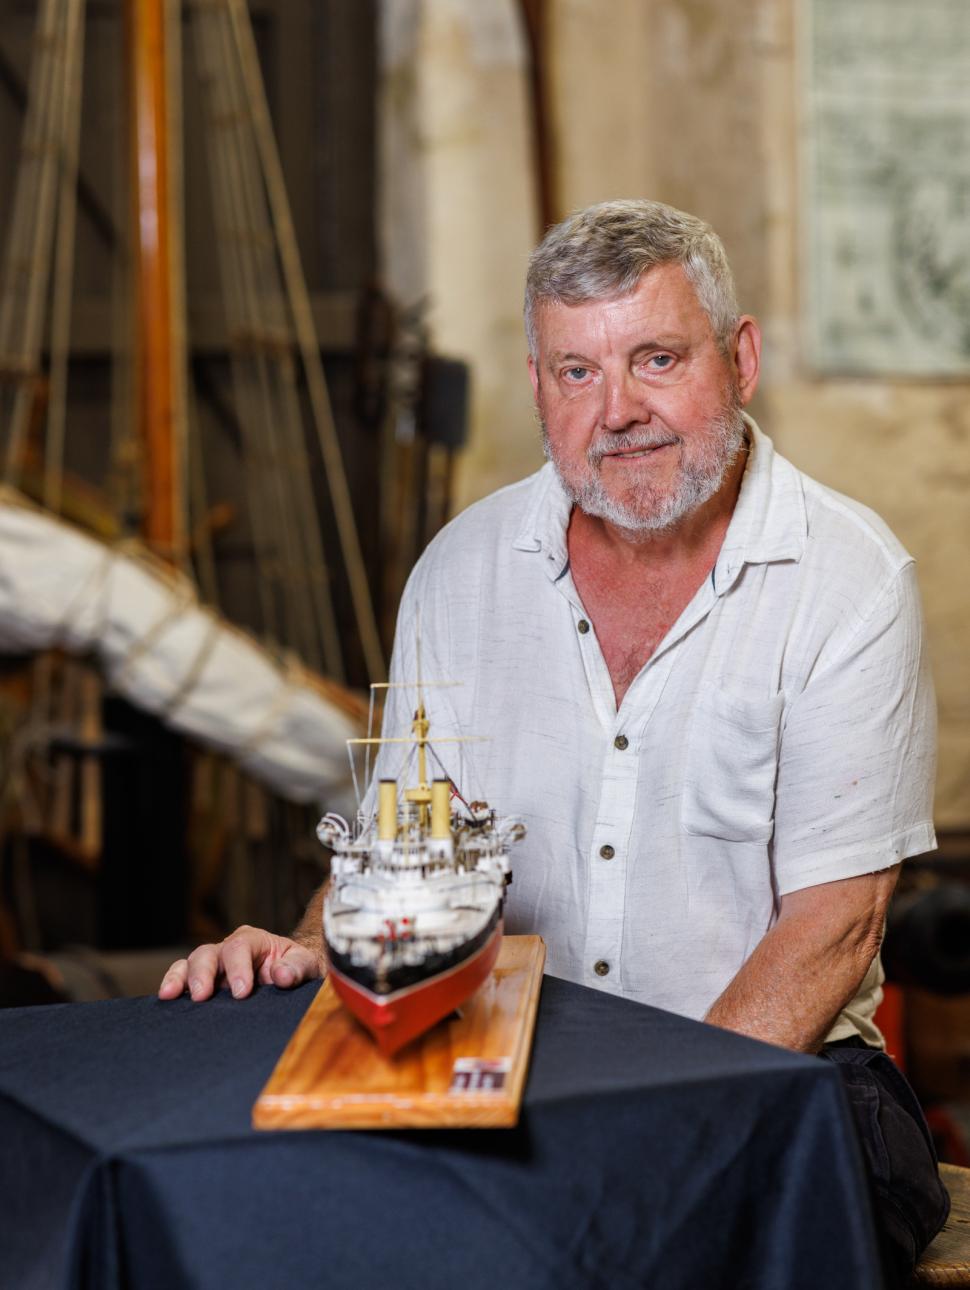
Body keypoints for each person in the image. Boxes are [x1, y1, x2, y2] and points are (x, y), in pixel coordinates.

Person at [160, 199, 947, 1284]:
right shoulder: (460, 568)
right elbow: (402, 862)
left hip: (787, 1084)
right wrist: (318, 953)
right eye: (576, 373)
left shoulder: (848, 580)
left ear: (741, 358)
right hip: (504, 1075)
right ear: (537, 389)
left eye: (656, 359)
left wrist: (650, 1135)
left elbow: (834, 926)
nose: (616, 410)